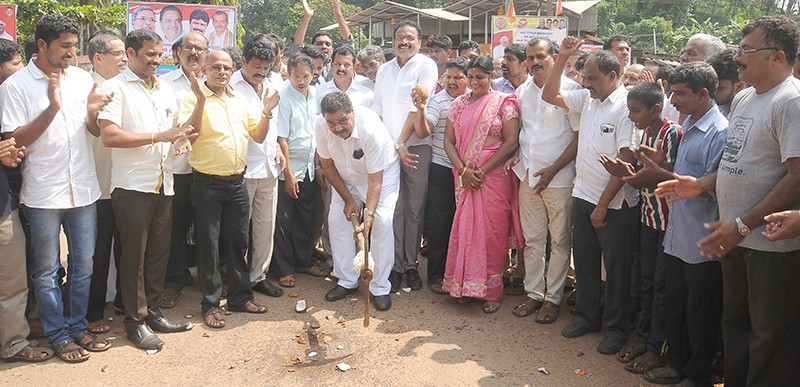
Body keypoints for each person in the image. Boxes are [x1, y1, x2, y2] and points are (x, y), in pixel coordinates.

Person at [658, 16, 800, 386]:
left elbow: (796, 177)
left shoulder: (791, 102)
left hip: (768, 242)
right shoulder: (743, 98)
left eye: (747, 50)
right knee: (734, 324)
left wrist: (744, 224)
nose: (738, 57)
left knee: (769, 336)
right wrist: (700, 183)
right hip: (734, 235)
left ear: (777, 57)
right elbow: (734, 163)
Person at [0, 14, 113, 362]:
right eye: (64, 45)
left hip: (83, 190)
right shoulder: (15, 86)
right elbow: (12, 141)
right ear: (43, 46)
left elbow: (92, 132)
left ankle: (77, 324)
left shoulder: (80, 79)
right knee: (46, 271)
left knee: (85, 264)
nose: (71, 51)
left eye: (73, 44)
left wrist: (93, 113)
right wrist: (52, 107)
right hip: (42, 193)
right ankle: (58, 334)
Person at [98, 28, 195, 351]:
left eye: (159, 54)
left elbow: (174, 132)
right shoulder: (114, 89)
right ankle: (134, 322)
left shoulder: (165, 89)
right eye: (149, 54)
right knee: (134, 258)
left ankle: (153, 313)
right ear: (129, 53)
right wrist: (160, 137)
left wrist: (180, 140)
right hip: (132, 187)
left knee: (157, 255)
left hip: (163, 183)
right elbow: (109, 136)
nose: (156, 60)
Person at [543, 37, 639, 355]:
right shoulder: (588, 100)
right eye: (584, 78)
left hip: (614, 204)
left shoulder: (627, 107)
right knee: (584, 263)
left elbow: (626, 162)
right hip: (583, 194)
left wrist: (602, 205)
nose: (587, 84)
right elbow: (549, 93)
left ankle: (617, 329)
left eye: (593, 78)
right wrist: (563, 58)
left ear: (614, 76)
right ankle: (587, 317)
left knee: (615, 270)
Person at [632, 62, 726, 386]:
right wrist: (661, 168)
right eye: (672, 91)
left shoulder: (719, 132)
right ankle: (677, 366)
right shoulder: (690, 125)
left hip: (702, 244)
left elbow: (715, 189)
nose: (675, 98)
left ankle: (696, 376)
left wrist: (662, 174)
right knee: (676, 309)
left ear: (703, 93)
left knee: (700, 317)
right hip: (676, 239)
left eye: (681, 93)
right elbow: (682, 179)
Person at [181, 50, 277, 329]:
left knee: (239, 243)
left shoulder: (239, 99)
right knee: (209, 246)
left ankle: (239, 297)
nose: (222, 72)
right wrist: (200, 98)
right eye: (216, 67)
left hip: (237, 182)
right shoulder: (192, 97)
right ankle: (210, 305)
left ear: (233, 69)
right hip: (207, 183)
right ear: (205, 69)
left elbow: (257, 136)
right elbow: (190, 132)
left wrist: (266, 112)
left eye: (226, 67)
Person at [599, 81, 682, 375]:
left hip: (668, 223)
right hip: (648, 219)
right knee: (647, 283)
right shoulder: (646, 132)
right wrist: (628, 174)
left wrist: (630, 176)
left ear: (655, 109)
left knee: (660, 286)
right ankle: (647, 340)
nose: (631, 117)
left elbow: (668, 177)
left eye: (636, 111)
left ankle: (658, 347)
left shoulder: (672, 133)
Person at [505, 37, 580, 323]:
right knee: (534, 240)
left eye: (541, 56)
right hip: (527, 175)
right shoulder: (523, 91)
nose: (535, 62)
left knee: (560, 241)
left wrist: (554, 169)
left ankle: (553, 298)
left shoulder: (570, 91)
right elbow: (524, 131)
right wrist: (517, 156)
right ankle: (534, 293)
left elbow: (577, 136)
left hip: (559, 179)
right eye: (531, 58)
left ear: (553, 57)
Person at [441, 55, 523, 314]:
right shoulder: (458, 104)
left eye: (481, 77)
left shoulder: (503, 102)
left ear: (491, 77)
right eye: (472, 77)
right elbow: (448, 142)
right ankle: (465, 286)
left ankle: (492, 290)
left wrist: (482, 171)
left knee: (493, 233)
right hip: (465, 177)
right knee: (466, 230)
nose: (475, 82)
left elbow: (511, 142)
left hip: (495, 177)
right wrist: (464, 170)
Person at [371, 21, 438, 292]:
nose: (404, 42)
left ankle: (410, 265)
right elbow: (377, 110)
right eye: (400, 37)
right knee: (392, 210)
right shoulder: (384, 70)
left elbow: (417, 106)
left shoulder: (426, 66)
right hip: (389, 149)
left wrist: (402, 142)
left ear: (419, 42)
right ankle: (394, 266)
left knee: (413, 209)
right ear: (394, 41)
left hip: (415, 147)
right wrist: (389, 145)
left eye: (410, 38)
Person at [318, 91, 400, 311]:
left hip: (381, 175)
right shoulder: (321, 125)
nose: (337, 128)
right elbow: (327, 166)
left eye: (343, 120)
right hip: (344, 177)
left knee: (382, 223)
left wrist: (369, 218)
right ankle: (346, 280)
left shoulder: (370, 129)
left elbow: (375, 182)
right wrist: (348, 200)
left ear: (352, 111)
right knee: (336, 219)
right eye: (331, 122)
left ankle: (379, 286)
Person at [0, 37, 53, 364]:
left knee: (13, 282)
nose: (21, 70)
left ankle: (13, 343)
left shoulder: (8, 99)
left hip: (4, 208)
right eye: (17, 63)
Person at [230, 36, 285, 298]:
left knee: (265, 228)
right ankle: (236, 281)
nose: (261, 72)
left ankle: (258, 276)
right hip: (242, 169)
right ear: (243, 61)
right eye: (256, 67)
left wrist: (276, 148)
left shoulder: (274, 83)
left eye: (266, 67)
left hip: (268, 168)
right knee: (239, 231)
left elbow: (274, 125)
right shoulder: (230, 86)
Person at [159, 32, 208, 309]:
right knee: (175, 229)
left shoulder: (216, 81)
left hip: (208, 169)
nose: (193, 52)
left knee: (207, 227)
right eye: (188, 47)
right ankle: (173, 281)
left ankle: (208, 278)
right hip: (177, 169)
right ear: (177, 52)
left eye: (199, 48)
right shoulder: (165, 84)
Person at [84, 30, 127, 336]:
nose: (124, 58)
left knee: (128, 250)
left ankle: (125, 303)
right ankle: (93, 311)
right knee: (98, 254)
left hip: (126, 182)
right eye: (117, 54)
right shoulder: (82, 87)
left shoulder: (128, 86)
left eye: (126, 53)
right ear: (98, 58)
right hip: (95, 186)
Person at [273, 52, 326, 288]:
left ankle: (303, 260)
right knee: (282, 221)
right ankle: (283, 268)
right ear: (289, 74)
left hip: (309, 168)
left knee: (305, 216)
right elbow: (282, 138)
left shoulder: (315, 95)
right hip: (288, 169)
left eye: (307, 75)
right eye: (297, 76)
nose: (302, 81)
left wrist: (316, 165)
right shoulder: (284, 98)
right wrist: (289, 175)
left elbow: (317, 134)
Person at [419, 57, 469, 294]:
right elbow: (425, 129)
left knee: (466, 225)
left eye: (458, 76)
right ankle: (437, 275)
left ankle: (463, 274)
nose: (452, 81)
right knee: (440, 224)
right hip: (441, 169)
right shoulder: (437, 101)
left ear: (468, 78)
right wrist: (421, 111)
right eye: (448, 76)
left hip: (470, 174)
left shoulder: (476, 101)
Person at [291, 0, 353, 83]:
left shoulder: (337, 65)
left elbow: (348, 44)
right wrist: (307, 17)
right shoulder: (304, 64)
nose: (324, 47)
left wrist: (338, 14)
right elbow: (296, 48)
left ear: (332, 50)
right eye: (319, 43)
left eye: (328, 44)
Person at [316, 45, 373, 111]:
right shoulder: (320, 93)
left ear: (354, 67)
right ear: (331, 65)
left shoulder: (366, 94)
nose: (341, 68)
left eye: (346, 65)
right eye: (338, 64)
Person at [706, 48, 746, 118]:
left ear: (739, 87)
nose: (712, 92)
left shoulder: (744, 117)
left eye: (719, 88)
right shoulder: (714, 112)